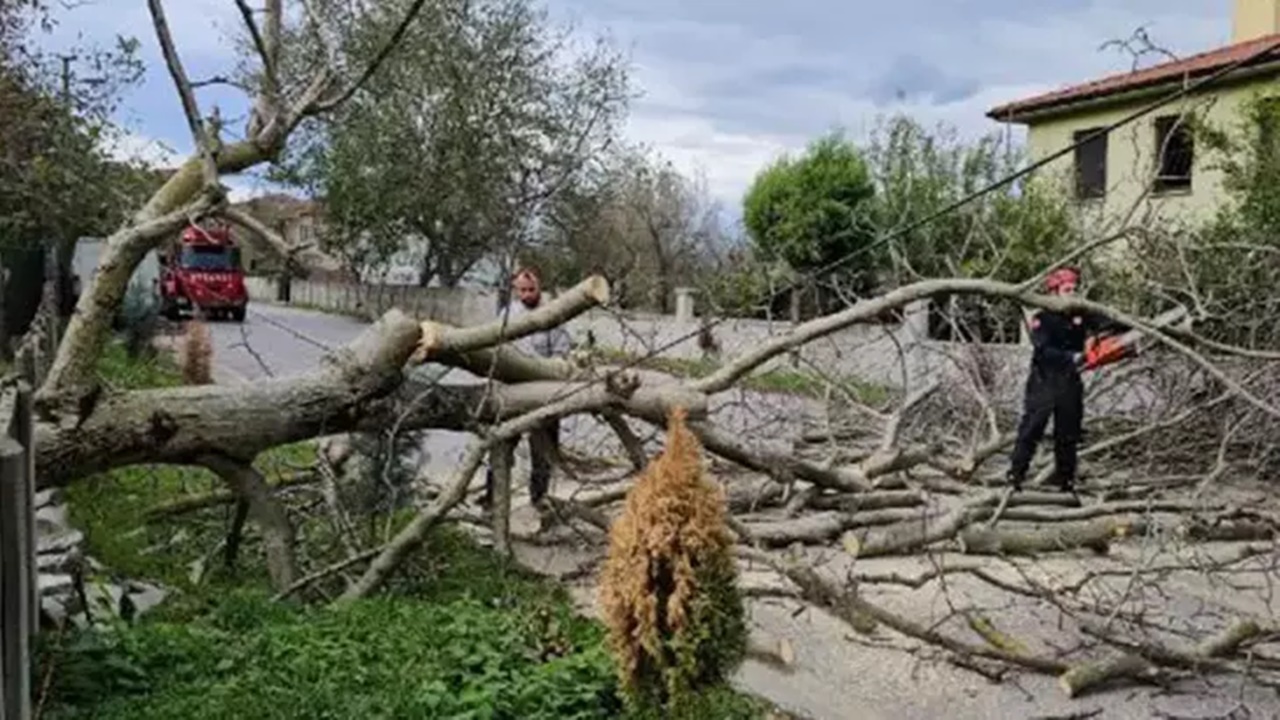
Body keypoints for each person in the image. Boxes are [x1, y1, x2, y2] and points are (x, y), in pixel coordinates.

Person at [1006, 266, 1128, 493]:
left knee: (1068, 433)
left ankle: (1066, 482)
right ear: (1054, 292)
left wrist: (1130, 324)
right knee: (1032, 428)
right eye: (1067, 289)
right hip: (1044, 379)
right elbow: (1042, 350)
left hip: (1071, 380)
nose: (1072, 293)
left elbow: (1110, 322)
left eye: (1074, 288)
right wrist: (1073, 357)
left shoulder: (1081, 313)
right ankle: (1015, 475)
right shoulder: (1043, 319)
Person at [480, 267, 572, 509]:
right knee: (501, 444)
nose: (527, 294)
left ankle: (539, 498)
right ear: (515, 290)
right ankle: (493, 497)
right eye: (522, 290)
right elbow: (497, 348)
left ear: (539, 288)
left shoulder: (552, 315)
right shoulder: (508, 315)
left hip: (543, 391)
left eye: (531, 289)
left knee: (542, 450)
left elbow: (562, 355)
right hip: (511, 391)